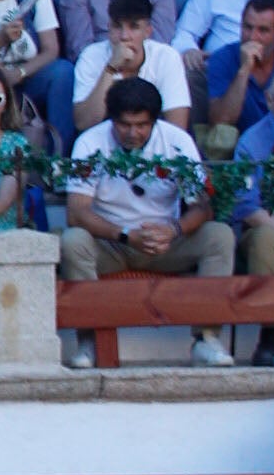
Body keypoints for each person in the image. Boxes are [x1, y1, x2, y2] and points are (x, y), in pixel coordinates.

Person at [59, 77, 237, 365]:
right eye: (124, 124)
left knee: (219, 235)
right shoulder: (90, 141)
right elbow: (76, 212)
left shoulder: (177, 141)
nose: (132, 133)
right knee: (73, 240)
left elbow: (202, 207)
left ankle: (207, 339)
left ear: (155, 120)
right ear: (111, 118)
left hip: (166, 242)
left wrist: (173, 229)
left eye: (141, 125)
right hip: (111, 243)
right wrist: (125, 234)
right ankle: (89, 340)